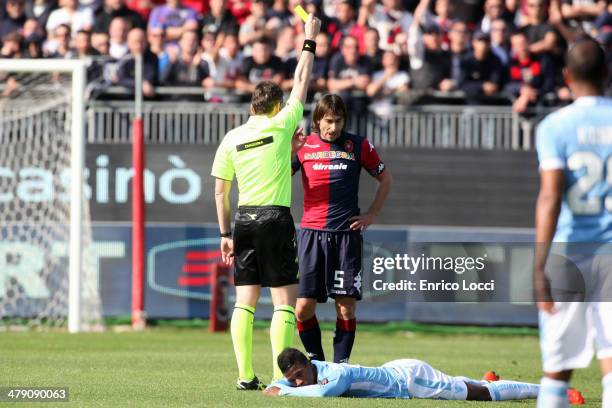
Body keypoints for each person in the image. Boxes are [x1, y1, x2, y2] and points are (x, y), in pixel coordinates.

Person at [211, 13, 321, 389]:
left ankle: (245, 377)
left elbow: (220, 191)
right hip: (275, 219)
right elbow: (303, 79)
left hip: (242, 220)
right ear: (276, 107)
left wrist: (225, 233)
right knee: (284, 303)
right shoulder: (284, 121)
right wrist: (309, 38)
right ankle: (280, 376)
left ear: (251, 108)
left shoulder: (233, 137)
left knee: (244, 302)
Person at [534, 38, 612, 408]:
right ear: (607, 74)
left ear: (566, 75)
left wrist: (537, 265)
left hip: (570, 254)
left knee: (557, 370)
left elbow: (550, 197)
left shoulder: (554, 126)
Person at [292, 94, 391, 364]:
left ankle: (340, 366)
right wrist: (289, 151)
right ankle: (316, 362)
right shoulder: (304, 146)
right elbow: (276, 175)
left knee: (346, 307)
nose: (333, 127)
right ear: (317, 121)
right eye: (328, 121)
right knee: (302, 309)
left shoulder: (358, 145)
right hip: (311, 235)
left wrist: (372, 214)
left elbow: (385, 179)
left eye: (338, 121)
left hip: (346, 238)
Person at [263, 348, 584, 402]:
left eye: (299, 375)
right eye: (293, 380)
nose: (298, 382)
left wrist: (284, 392)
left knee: (477, 395)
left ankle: (549, 390)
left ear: (310, 364)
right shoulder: (308, 372)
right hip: (399, 370)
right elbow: (284, 384)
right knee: (461, 386)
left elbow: (320, 393)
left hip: (409, 380)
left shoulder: (336, 373)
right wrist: (282, 384)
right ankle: (488, 379)